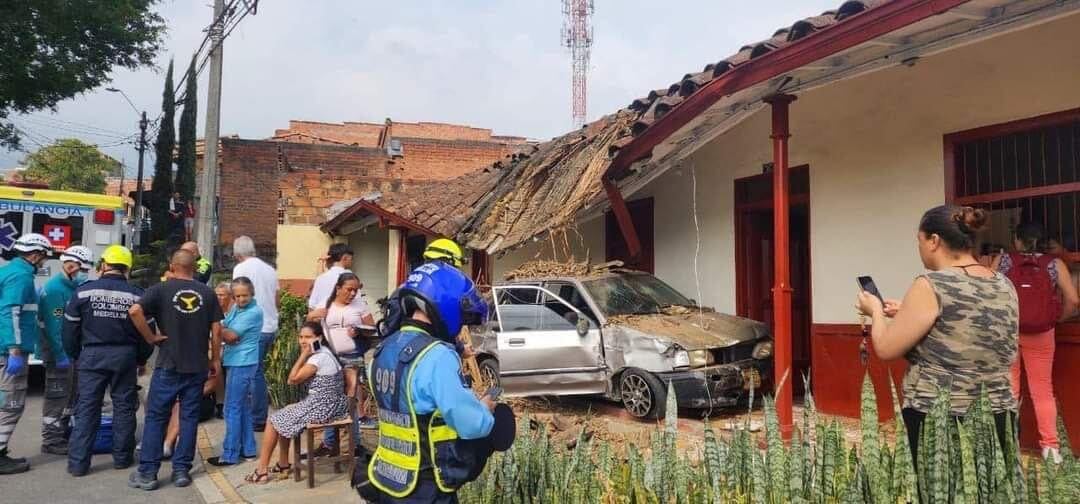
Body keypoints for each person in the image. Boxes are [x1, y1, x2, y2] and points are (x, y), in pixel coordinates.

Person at [856, 205, 1018, 466]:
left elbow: (886, 348)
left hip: (940, 417)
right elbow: (968, 327)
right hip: (1000, 413)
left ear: (934, 241)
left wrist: (875, 311)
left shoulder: (931, 284)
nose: (919, 248)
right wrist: (906, 313)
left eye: (919, 241)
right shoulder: (1003, 283)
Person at [366, 261, 495, 503]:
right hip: (426, 487)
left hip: (387, 479)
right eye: (462, 316)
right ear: (446, 305)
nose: (461, 325)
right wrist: (485, 409)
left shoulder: (383, 349)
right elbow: (471, 425)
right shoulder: (437, 356)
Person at [128, 249, 224, 491]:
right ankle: (181, 470)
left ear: (172, 265)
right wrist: (215, 360)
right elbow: (216, 330)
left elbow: (134, 311)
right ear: (194, 267)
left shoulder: (161, 290)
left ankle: (148, 473)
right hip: (197, 365)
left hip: (169, 364)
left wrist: (151, 337)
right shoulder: (207, 292)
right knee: (188, 417)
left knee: (157, 417)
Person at [991, 222, 1080, 463]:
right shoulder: (1055, 264)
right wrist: (1055, 319)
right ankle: (1050, 449)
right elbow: (1073, 300)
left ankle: (1006, 446)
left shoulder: (1003, 261)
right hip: (1042, 333)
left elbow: (991, 297)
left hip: (1009, 331)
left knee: (1009, 388)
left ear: (1017, 240)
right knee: (1042, 390)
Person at [63, 245, 153, 477]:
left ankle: (78, 464)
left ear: (104, 265)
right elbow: (147, 333)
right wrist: (141, 359)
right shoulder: (138, 294)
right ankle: (122, 459)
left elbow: (69, 330)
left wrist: (75, 354)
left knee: (87, 408)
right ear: (127, 268)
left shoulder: (83, 292)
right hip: (125, 356)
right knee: (124, 407)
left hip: (91, 355)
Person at [244, 322, 348, 484]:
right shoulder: (325, 351)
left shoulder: (318, 358)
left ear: (319, 338)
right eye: (301, 337)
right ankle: (283, 464)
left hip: (323, 407)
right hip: (332, 403)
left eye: (308, 337)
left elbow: (292, 380)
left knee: (273, 420)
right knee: (284, 413)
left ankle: (262, 470)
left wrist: (302, 356)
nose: (303, 341)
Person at [0, 233, 54, 474]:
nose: (43, 262)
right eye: (43, 257)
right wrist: (13, 349)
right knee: (11, 403)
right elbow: (10, 312)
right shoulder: (20, 276)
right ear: (34, 255)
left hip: (7, 347)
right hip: (10, 350)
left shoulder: (10, 270)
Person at [37, 245, 93, 455]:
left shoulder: (70, 286)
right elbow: (54, 327)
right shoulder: (55, 290)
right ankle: (51, 439)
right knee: (57, 394)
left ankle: (62, 431)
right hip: (57, 351)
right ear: (70, 266)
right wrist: (61, 355)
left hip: (70, 351)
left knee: (71, 394)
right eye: (83, 269)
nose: (84, 274)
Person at [307, 272, 377, 431]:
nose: (352, 293)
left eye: (355, 290)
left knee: (353, 391)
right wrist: (313, 316)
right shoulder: (327, 304)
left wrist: (359, 331)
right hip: (331, 357)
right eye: (349, 289)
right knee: (332, 391)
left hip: (353, 356)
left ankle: (354, 426)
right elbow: (309, 325)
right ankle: (331, 432)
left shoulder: (360, 305)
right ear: (338, 288)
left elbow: (372, 328)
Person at [206, 277, 262, 466]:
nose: (240, 299)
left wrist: (217, 325)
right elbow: (227, 329)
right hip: (237, 360)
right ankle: (248, 449)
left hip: (242, 362)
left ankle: (230, 454)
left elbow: (230, 335)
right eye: (236, 296)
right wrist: (224, 329)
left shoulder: (253, 312)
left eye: (244, 295)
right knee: (243, 408)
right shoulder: (238, 309)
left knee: (232, 408)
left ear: (252, 293)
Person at [231, 235, 279, 432]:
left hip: (252, 327)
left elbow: (237, 298)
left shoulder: (240, 269)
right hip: (270, 326)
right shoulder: (270, 269)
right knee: (259, 371)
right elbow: (277, 299)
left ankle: (257, 418)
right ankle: (257, 413)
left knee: (252, 373)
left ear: (237, 254)